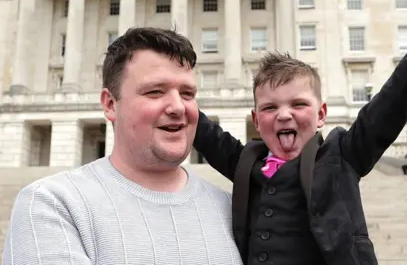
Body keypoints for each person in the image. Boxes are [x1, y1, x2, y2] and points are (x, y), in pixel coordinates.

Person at [193, 0, 407, 265]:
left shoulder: (341, 155)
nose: (284, 114)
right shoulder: (247, 162)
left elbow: (389, 108)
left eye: (298, 104)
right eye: (269, 108)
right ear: (255, 118)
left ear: (321, 114)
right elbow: (204, 132)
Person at [2, 28, 243, 265]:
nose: (178, 107)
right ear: (110, 104)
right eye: (155, 92)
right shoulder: (52, 203)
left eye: (187, 93)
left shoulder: (235, 209)